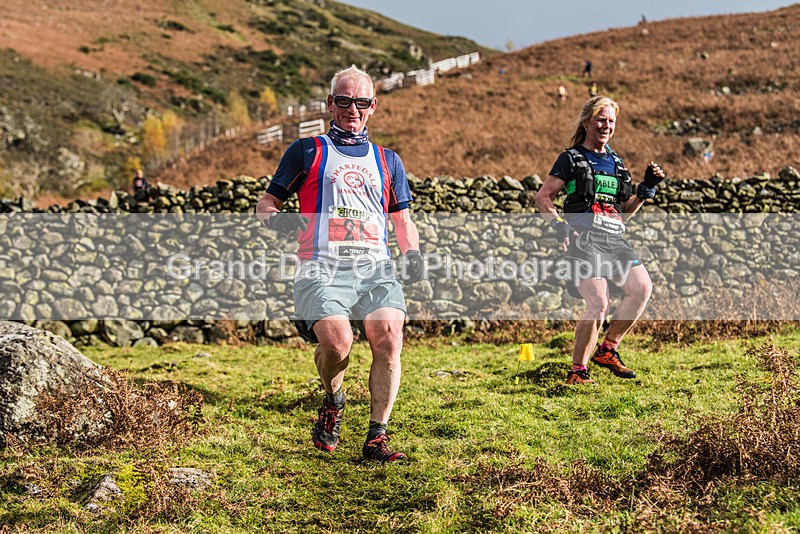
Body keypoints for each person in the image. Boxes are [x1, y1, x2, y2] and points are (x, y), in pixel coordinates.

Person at [256, 65, 423, 462]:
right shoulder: (307, 151)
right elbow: (267, 203)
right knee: (337, 343)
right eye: (344, 100)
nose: (353, 108)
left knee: (389, 339)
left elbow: (402, 218)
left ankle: (376, 438)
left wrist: (412, 252)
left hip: (375, 267)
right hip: (320, 266)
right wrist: (279, 221)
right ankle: (333, 399)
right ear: (330, 104)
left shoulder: (388, 160)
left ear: (373, 106)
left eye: (361, 101)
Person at [535, 95, 666, 385]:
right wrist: (559, 227)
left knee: (642, 288)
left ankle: (608, 350)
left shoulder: (617, 163)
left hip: (615, 240)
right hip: (585, 241)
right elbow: (543, 197)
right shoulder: (570, 158)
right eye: (601, 119)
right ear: (587, 122)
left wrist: (645, 189)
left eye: (611, 121)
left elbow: (625, 214)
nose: (606, 126)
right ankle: (577, 372)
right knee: (598, 304)